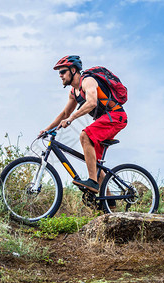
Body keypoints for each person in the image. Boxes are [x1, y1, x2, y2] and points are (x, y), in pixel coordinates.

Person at [40, 55, 127, 193]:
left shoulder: (88, 81)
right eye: (59, 73)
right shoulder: (73, 92)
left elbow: (91, 102)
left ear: (73, 70)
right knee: (94, 164)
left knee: (85, 135)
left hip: (116, 116)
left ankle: (92, 182)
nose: (60, 76)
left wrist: (71, 119)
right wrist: (46, 129)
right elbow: (64, 113)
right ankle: (109, 203)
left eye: (63, 72)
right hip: (105, 119)